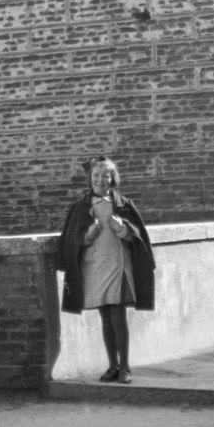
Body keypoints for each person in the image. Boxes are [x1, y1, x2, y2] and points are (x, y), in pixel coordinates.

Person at [56, 156, 155, 384]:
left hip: (117, 266)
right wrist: (88, 235)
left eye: (105, 176)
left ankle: (126, 367)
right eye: (96, 176)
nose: (100, 180)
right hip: (94, 268)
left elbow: (138, 238)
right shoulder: (81, 208)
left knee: (117, 316)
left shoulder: (124, 205)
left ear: (113, 179)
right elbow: (71, 242)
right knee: (105, 318)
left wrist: (123, 229)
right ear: (90, 179)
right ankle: (112, 365)